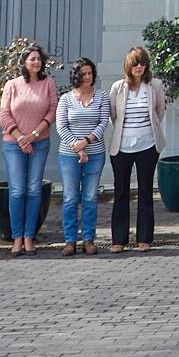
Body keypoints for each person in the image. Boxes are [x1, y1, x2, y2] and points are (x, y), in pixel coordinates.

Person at [0, 44, 57, 256]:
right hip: (13, 144)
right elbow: (4, 114)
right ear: (24, 61)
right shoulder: (12, 85)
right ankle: (17, 237)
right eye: (32, 59)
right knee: (17, 190)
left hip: (39, 143)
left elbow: (52, 111)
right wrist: (20, 137)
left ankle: (29, 236)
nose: (36, 62)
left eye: (39, 59)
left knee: (33, 190)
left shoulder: (48, 83)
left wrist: (33, 136)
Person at [107, 46, 165, 254]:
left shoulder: (155, 85)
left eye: (142, 63)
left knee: (145, 191)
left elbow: (160, 111)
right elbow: (114, 115)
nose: (138, 67)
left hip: (148, 145)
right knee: (121, 191)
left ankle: (144, 238)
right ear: (128, 66)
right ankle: (118, 239)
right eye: (135, 63)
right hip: (122, 146)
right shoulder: (118, 87)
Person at [54, 57, 110, 255]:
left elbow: (103, 122)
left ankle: (88, 239)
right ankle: (70, 240)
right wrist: (77, 148)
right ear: (76, 75)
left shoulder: (102, 96)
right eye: (84, 73)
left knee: (90, 197)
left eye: (90, 73)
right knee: (70, 197)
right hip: (69, 155)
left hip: (95, 154)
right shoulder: (66, 99)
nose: (88, 77)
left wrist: (86, 142)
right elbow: (61, 126)